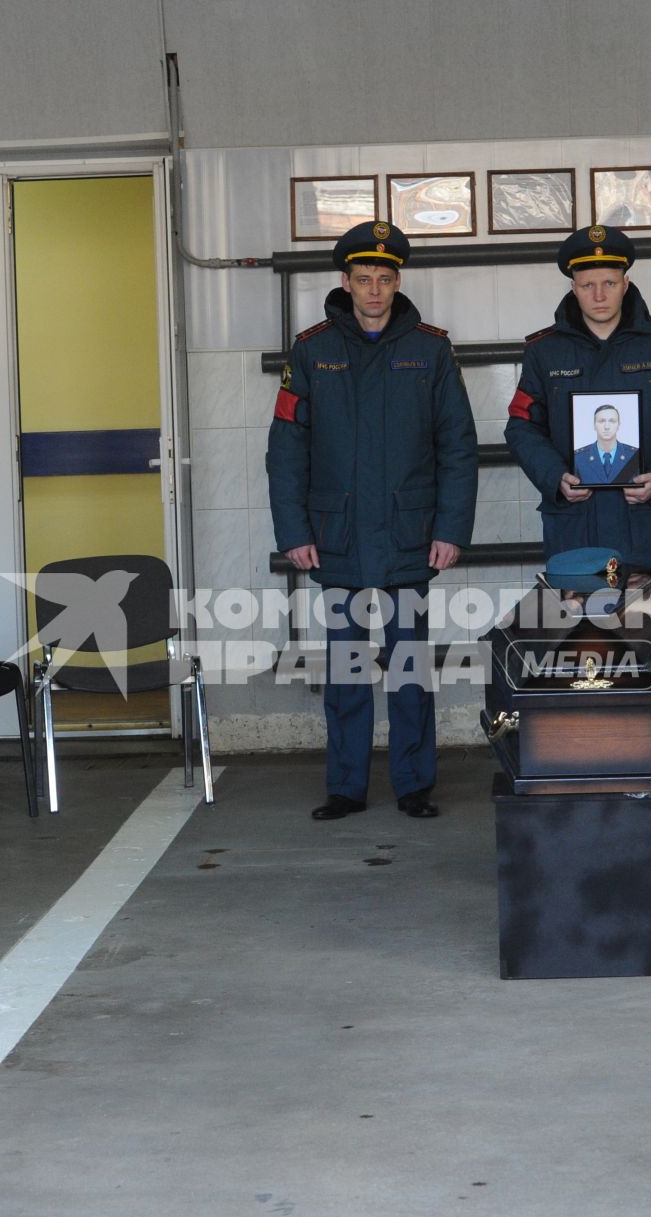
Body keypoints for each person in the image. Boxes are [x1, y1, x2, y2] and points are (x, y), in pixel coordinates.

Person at [265, 220, 478, 821]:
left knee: (410, 667)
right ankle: (346, 786)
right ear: (346, 281)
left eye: (385, 279)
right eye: (364, 279)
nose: (375, 290)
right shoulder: (311, 352)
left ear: (398, 281)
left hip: (411, 536)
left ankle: (414, 784)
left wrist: (450, 529)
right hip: (338, 539)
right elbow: (286, 451)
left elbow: (457, 446)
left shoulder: (431, 350)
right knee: (346, 669)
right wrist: (295, 533)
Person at [505, 225, 651, 580]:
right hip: (575, 526)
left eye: (609, 283)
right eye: (588, 285)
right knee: (578, 633)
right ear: (573, 287)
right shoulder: (544, 351)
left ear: (626, 283)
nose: (599, 295)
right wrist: (555, 477)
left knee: (645, 631)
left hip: (642, 524)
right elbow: (522, 426)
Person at [571, 403, 639, 485]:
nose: (607, 427)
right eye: (601, 421)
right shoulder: (578, 459)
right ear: (594, 425)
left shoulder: (634, 456)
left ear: (618, 425)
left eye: (612, 421)